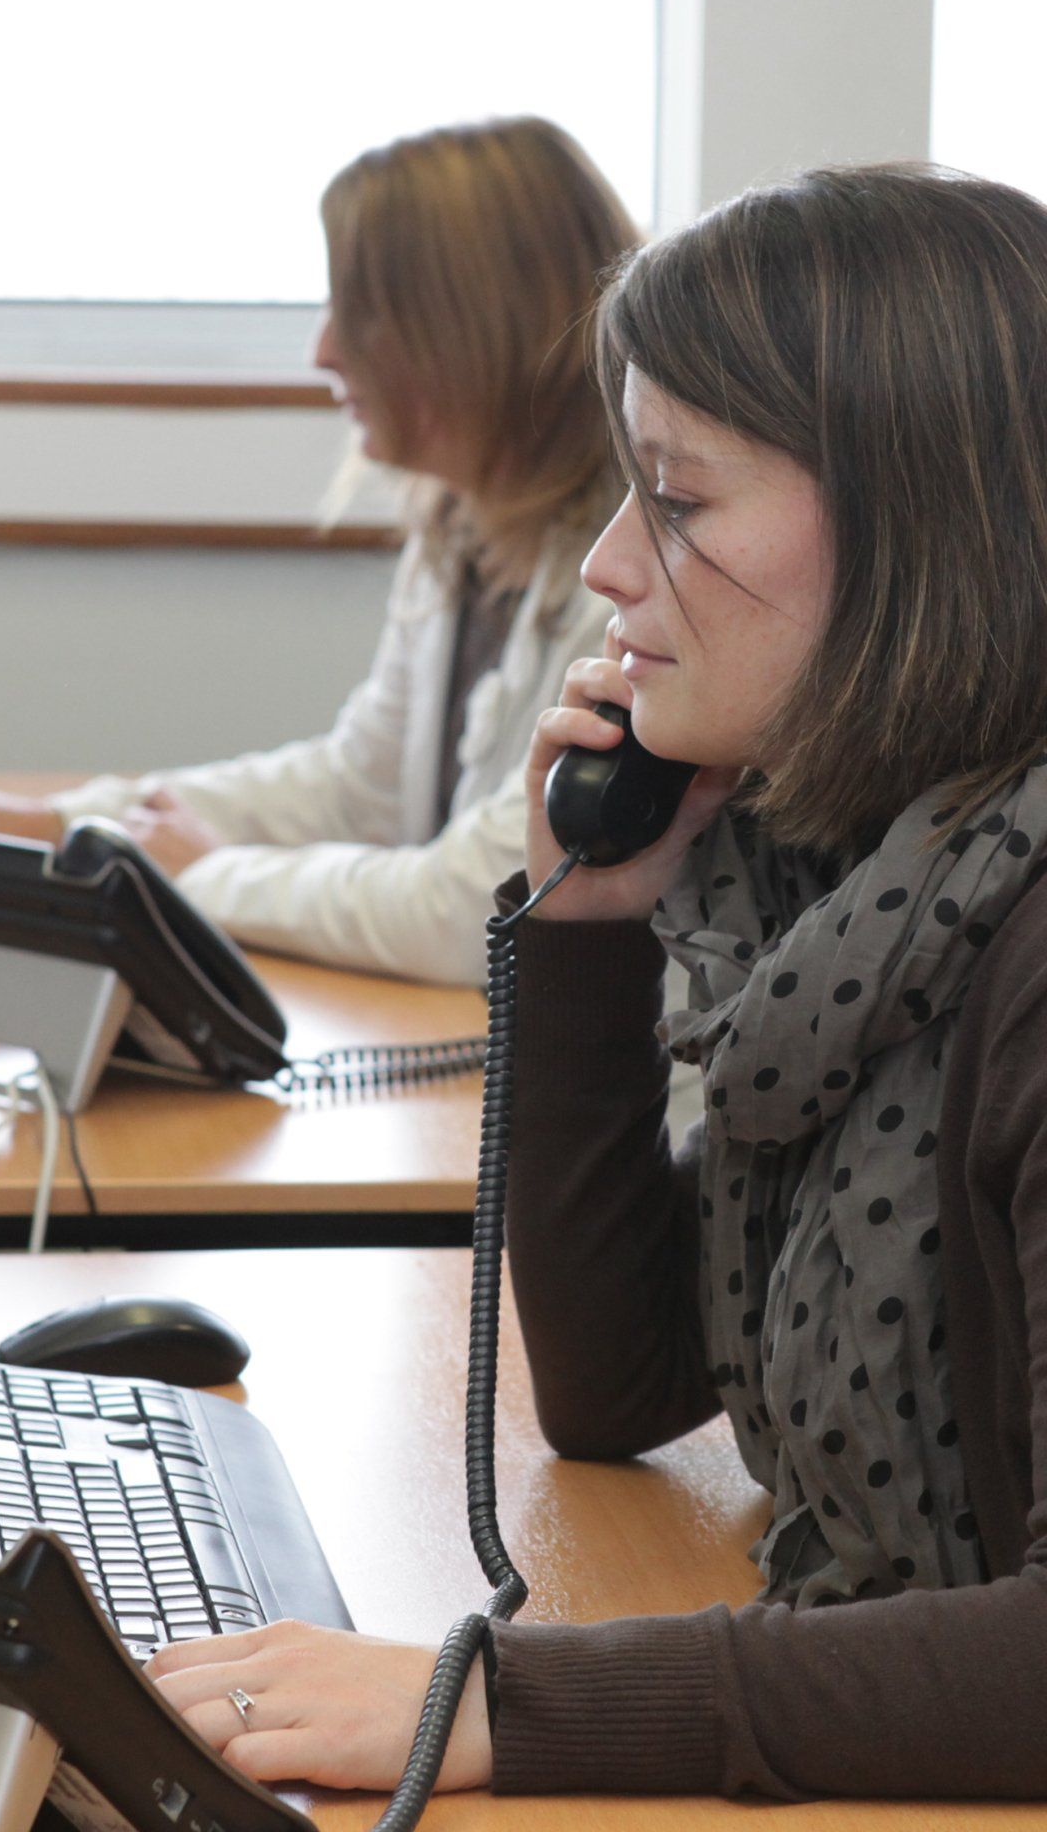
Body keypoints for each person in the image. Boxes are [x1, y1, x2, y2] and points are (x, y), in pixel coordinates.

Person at [145, 162, 1047, 1802]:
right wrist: (588, 919)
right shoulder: (848, 887)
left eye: (681, 502)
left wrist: (499, 1701)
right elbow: (623, 1386)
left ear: (928, 532)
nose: (611, 569)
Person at [0, 116, 635, 990]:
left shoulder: (628, 580)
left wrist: (202, 877)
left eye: (361, 316)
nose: (323, 350)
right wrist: (68, 827)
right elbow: (354, 791)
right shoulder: (465, 532)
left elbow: (477, 905)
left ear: (469, 329)